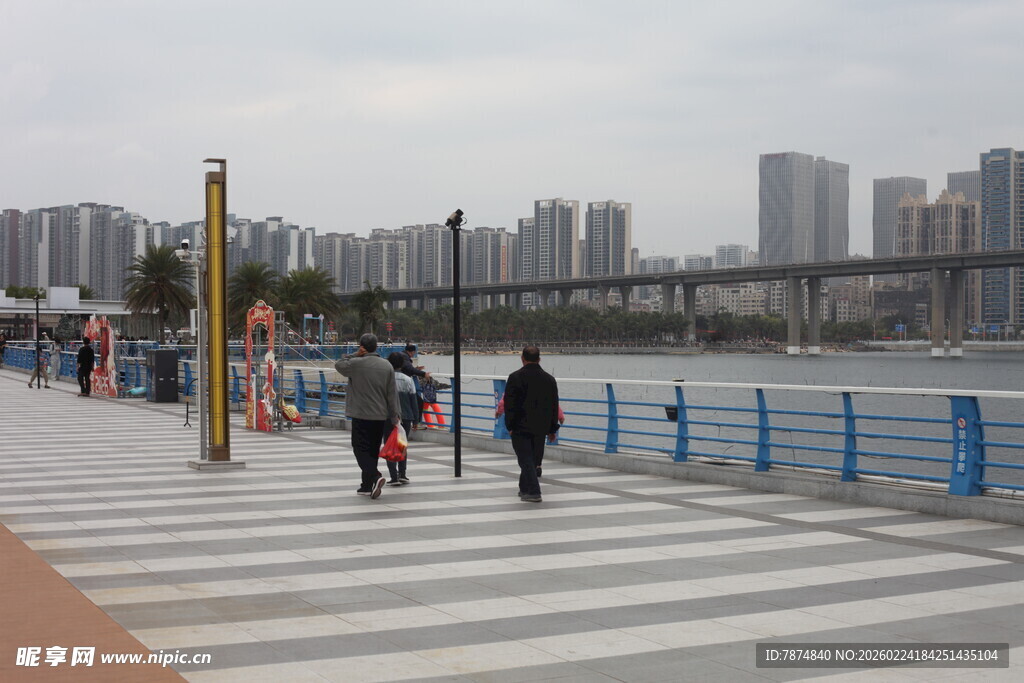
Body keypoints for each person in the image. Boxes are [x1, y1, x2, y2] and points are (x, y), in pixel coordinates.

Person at [335, 333, 400, 499]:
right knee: (372, 450)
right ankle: (366, 485)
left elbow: (339, 364)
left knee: (359, 449)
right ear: (376, 347)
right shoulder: (387, 365)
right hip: (380, 416)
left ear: (362, 347)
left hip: (360, 414)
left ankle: (375, 476)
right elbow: (392, 394)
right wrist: (395, 416)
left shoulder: (355, 364)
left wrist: (355, 354)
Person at [504, 345, 560, 503]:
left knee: (525, 459)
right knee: (532, 459)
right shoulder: (549, 379)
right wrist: (552, 428)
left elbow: (510, 405)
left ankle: (534, 492)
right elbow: (554, 405)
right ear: (539, 359)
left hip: (520, 426)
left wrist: (510, 426)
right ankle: (524, 488)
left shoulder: (515, 377)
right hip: (541, 426)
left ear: (522, 358)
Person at [495, 394, 564, 477]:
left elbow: (506, 399)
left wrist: (499, 411)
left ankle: (529, 466)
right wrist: (560, 417)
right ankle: (538, 466)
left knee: (525, 444)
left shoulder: (518, 386)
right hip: (540, 421)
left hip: (523, 422)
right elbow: (553, 402)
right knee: (539, 443)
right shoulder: (544, 387)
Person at [386, 352, 419, 486]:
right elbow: (414, 401)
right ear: (402, 364)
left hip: (389, 417)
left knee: (389, 445)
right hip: (406, 416)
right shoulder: (408, 379)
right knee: (402, 445)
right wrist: (416, 420)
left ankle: (393, 476)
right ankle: (403, 474)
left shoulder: (386, 379)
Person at [399, 343, 430, 428]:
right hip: (403, 386)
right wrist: (423, 374)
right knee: (418, 402)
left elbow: (406, 368)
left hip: (398, 385)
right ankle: (416, 423)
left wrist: (416, 369)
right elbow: (409, 369)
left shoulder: (401, 355)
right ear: (412, 352)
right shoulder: (405, 357)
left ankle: (406, 422)